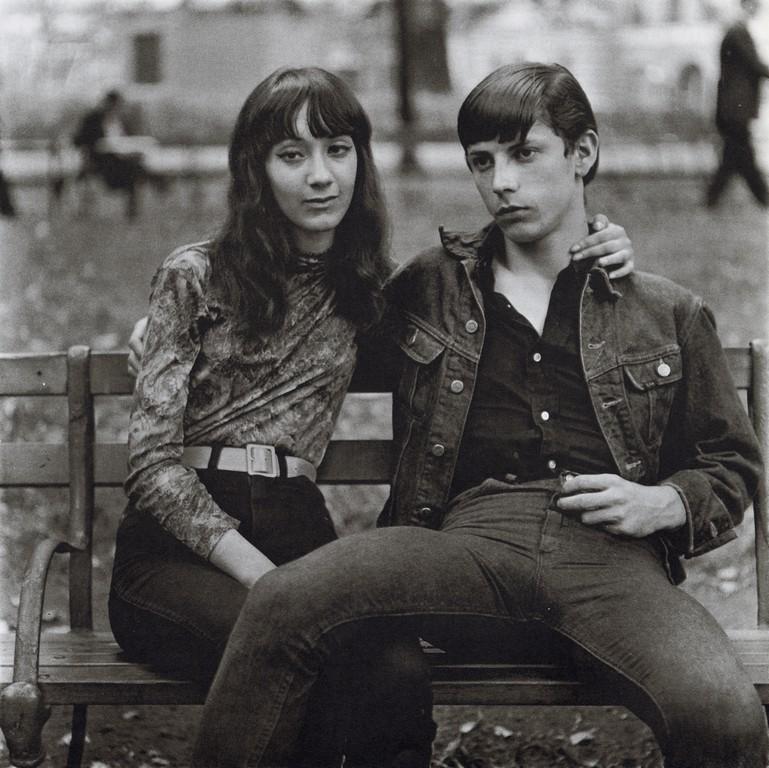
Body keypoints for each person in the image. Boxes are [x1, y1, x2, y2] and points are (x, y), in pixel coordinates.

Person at [170, 63, 762, 768]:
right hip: (460, 549)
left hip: (611, 565)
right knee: (284, 600)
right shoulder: (430, 286)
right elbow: (310, 335)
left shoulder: (665, 310)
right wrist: (192, 316)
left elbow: (728, 465)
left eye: (524, 154)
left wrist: (664, 502)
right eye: (482, 162)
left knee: (724, 717)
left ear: (583, 154)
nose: (501, 182)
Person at [705, 0, 769, 208]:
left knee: (735, 156)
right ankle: (763, 198)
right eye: (752, 7)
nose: (754, 12)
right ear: (744, 7)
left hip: (733, 107)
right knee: (740, 156)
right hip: (736, 107)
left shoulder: (736, 32)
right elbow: (754, 64)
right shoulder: (738, 33)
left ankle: (712, 200)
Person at [73, 89, 164, 219]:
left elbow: (127, 141)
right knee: (134, 170)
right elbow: (79, 140)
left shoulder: (120, 121)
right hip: (103, 163)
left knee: (134, 167)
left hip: (121, 160)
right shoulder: (93, 119)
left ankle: (136, 207)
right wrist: (97, 145)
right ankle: (157, 181)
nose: (117, 109)